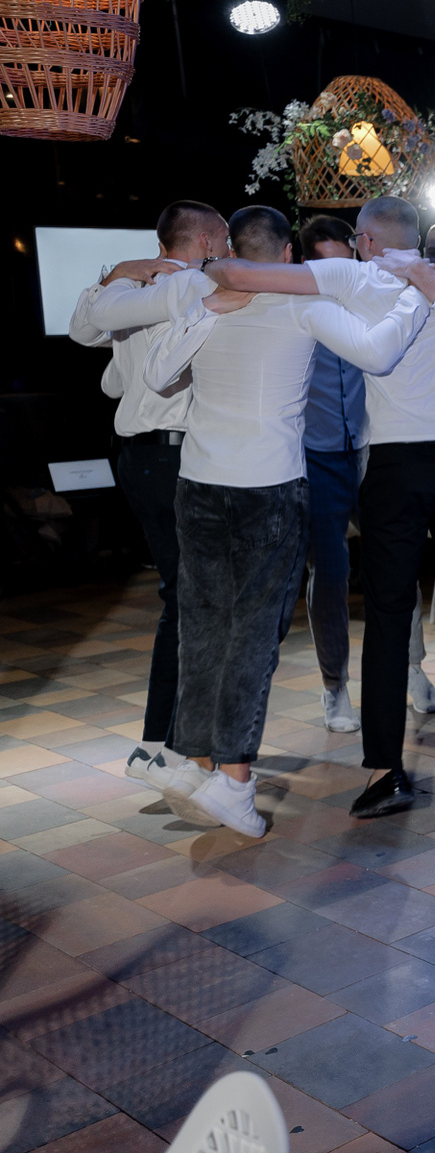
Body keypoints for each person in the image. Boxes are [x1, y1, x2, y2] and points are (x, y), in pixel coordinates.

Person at [204, 197, 435, 819]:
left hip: (395, 468)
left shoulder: (352, 275)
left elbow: (237, 272)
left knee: (390, 618)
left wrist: (187, 269)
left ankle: (386, 771)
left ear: (365, 240)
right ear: (415, 237)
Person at [132, 206, 429, 836]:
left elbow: (155, 377)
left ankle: (196, 763)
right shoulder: (301, 303)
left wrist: (207, 311)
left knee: (202, 627)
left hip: (198, 484)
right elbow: (378, 355)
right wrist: (417, 296)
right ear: (289, 254)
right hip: (267, 488)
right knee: (252, 637)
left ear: (233, 251)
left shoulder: (209, 299)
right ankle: (235, 783)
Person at [70, 201, 229, 794]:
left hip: (141, 458)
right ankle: (165, 744)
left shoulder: (138, 287)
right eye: (225, 239)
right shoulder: (186, 285)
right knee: (192, 600)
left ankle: (164, 743)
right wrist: (120, 275)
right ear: (208, 240)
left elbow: (83, 329)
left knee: (186, 597)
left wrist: (116, 275)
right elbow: (87, 329)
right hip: (171, 458)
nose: (230, 250)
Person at [293, 215, 369, 735]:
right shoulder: (295, 307)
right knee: (331, 573)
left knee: (396, 562)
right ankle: (334, 685)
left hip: (369, 449)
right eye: (328, 267)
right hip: (316, 455)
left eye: (347, 264)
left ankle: (412, 669)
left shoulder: (372, 299)